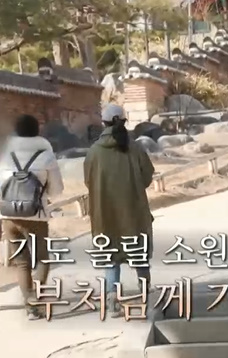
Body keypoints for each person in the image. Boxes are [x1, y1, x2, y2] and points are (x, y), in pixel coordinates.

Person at [0, 114, 64, 320]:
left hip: (9, 217)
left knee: (22, 262)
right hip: (36, 215)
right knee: (42, 259)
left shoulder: (4, 155)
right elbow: (57, 190)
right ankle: (35, 302)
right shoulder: (46, 156)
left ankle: (29, 305)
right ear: (37, 132)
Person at [84, 104, 155, 318]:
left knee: (111, 254)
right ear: (124, 121)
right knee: (138, 249)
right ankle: (145, 289)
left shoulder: (94, 152)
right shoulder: (135, 148)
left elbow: (88, 181)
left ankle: (112, 297)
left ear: (103, 123)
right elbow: (147, 176)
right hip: (133, 209)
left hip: (105, 211)